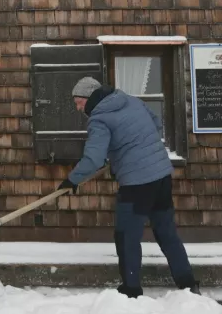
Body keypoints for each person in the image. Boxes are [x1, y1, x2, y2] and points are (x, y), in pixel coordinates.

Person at [58, 76, 199, 299]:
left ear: (89, 98)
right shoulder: (131, 101)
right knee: (166, 233)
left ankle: (131, 290)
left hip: (137, 185)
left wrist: (72, 180)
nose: (77, 108)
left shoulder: (99, 119)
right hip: (161, 176)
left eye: (78, 102)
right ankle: (188, 284)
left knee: (127, 237)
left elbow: (94, 159)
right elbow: (156, 124)